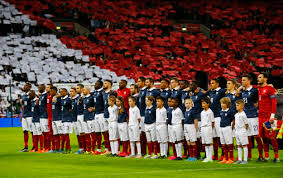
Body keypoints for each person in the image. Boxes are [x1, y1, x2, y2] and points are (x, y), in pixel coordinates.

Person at [257, 73, 279, 163]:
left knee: (272, 137)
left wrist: (272, 116)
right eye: (258, 77)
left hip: (269, 117)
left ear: (265, 79)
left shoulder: (270, 89)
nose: (258, 79)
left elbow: (274, 102)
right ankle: (266, 157)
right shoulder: (258, 89)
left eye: (260, 77)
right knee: (263, 137)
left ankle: (276, 157)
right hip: (260, 117)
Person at [240, 74, 262, 161]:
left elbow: (258, 102)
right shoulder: (242, 91)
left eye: (244, 80)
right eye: (242, 80)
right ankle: (249, 156)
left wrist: (256, 108)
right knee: (247, 136)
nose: (242, 82)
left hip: (253, 116)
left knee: (256, 136)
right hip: (245, 116)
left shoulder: (254, 91)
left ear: (249, 81)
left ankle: (261, 156)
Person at [206, 78, 226, 160]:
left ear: (217, 84)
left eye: (213, 83)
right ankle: (216, 154)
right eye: (210, 83)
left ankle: (223, 154)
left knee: (220, 136)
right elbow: (202, 94)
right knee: (214, 137)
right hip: (211, 116)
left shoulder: (222, 91)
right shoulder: (210, 92)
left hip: (218, 116)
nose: (211, 85)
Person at [190, 81, 206, 159]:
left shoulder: (201, 94)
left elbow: (206, 94)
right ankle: (198, 153)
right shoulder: (191, 95)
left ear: (196, 86)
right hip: (193, 118)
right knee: (196, 137)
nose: (190, 86)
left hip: (200, 118)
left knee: (202, 137)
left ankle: (206, 154)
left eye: (192, 85)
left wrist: (201, 90)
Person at [218, 97, 235, 164]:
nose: (222, 105)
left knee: (229, 143)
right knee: (223, 144)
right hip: (221, 128)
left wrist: (232, 126)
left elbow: (233, 120)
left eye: (224, 103)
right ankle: (225, 158)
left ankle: (231, 158)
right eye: (221, 103)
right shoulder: (221, 111)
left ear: (227, 104)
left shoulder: (230, 111)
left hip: (227, 127)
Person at [93, 80, 107, 155]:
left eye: (97, 83)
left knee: (104, 131)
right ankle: (98, 149)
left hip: (102, 113)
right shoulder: (95, 92)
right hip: (96, 114)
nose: (95, 85)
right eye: (95, 83)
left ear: (101, 85)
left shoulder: (102, 92)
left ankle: (106, 149)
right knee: (97, 132)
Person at [103, 80, 116, 154]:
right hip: (104, 114)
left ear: (110, 85)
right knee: (106, 132)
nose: (104, 85)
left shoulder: (113, 93)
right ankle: (107, 149)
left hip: (111, 116)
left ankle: (114, 150)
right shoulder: (103, 93)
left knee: (112, 133)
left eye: (105, 83)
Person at [233, 99, 249, 164]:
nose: (236, 106)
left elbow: (246, 124)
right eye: (236, 105)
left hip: (242, 131)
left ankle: (245, 160)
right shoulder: (236, 114)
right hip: (237, 131)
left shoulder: (243, 114)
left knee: (244, 145)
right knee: (238, 145)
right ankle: (239, 159)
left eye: (238, 105)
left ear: (242, 106)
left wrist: (244, 131)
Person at [201, 97, 214, 162]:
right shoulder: (202, 112)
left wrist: (210, 129)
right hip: (203, 128)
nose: (202, 105)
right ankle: (207, 157)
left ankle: (210, 157)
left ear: (208, 104)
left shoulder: (210, 112)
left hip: (208, 127)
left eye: (204, 103)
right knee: (205, 143)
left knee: (209, 142)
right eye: (202, 103)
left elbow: (212, 121)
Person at [19, 82, 32, 152]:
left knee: (33, 131)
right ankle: (26, 147)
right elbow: (23, 106)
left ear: (29, 87)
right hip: (24, 116)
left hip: (30, 115)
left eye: (26, 86)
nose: (24, 87)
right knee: (25, 131)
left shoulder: (31, 94)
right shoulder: (23, 96)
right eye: (24, 86)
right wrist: (22, 115)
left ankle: (34, 147)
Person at [49, 86, 62, 153]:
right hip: (54, 118)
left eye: (51, 91)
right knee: (55, 134)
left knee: (60, 134)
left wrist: (57, 96)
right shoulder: (52, 98)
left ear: (55, 91)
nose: (50, 92)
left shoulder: (59, 98)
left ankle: (61, 148)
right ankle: (56, 148)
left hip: (59, 119)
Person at [38, 84, 50, 152]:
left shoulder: (46, 95)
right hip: (41, 116)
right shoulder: (41, 95)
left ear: (44, 88)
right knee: (43, 133)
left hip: (45, 116)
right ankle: (45, 147)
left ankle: (48, 147)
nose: (39, 88)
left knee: (46, 133)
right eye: (39, 87)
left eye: (40, 87)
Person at [82, 86, 95, 154]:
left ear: (88, 91)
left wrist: (93, 108)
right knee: (87, 134)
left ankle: (93, 149)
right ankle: (88, 149)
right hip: (85, 118)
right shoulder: (83, 98)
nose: (83, 91)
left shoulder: (91, 98)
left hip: (91, 118)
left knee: (92, 134)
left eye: (84, 90)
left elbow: (95, 106)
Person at [60, 88, 72, 153]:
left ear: (65, 92)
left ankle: (68, 149)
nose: (61, 93)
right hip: (63, 119)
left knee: (66, 135)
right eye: (60, 92)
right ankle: (62, 148)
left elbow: (71, 109)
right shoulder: (61, 100)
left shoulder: (68, 100)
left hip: (67, 119)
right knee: (63, 135)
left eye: (62, 92)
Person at [137, 77, 147, 155]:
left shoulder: (146, 91)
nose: (138, 83)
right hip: (140, 114)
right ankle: (143, 151)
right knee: (141, 133)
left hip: (145, 115)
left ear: (143, 82)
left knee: (145, 133)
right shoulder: (140, 91)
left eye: (139, 81)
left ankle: (148, 151)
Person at [75, 84, 86, 154]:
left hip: (83, 115)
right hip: (78, 115)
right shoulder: (78, 97)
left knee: (83, 132)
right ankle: (81, 148)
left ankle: (85, 148)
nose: (76, 90)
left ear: (82, 89)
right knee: (79, 133)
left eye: (78, 88)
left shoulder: (84, 97)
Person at [70, 87, 81, 153]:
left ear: (76, 92)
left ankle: (84, 148)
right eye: (70, 91)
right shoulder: (71, 99)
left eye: (72, 91)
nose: (71, 93)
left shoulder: (79, 98)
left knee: (81, 134)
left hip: (79, 118)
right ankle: (80, 148)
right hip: (73, 118)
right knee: (77, 134)